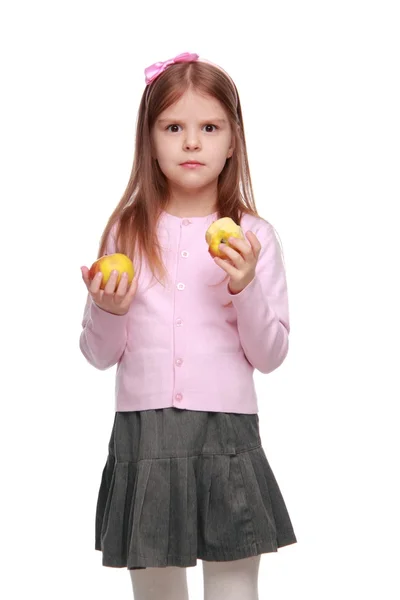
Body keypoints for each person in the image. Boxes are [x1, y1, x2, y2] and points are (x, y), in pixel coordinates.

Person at [79, 52, 297, 600]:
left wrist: (244, 284)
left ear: (232, 140)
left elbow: (270, 355)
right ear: (149, 140)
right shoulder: (125, 234)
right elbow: (98, 354)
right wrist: (109, 307)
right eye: (174, 127)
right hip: (145, 435)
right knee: (156, 590)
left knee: (232, 586)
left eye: (209, 127)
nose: (192, 142)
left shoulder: (254, 237)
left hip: (227, 434)